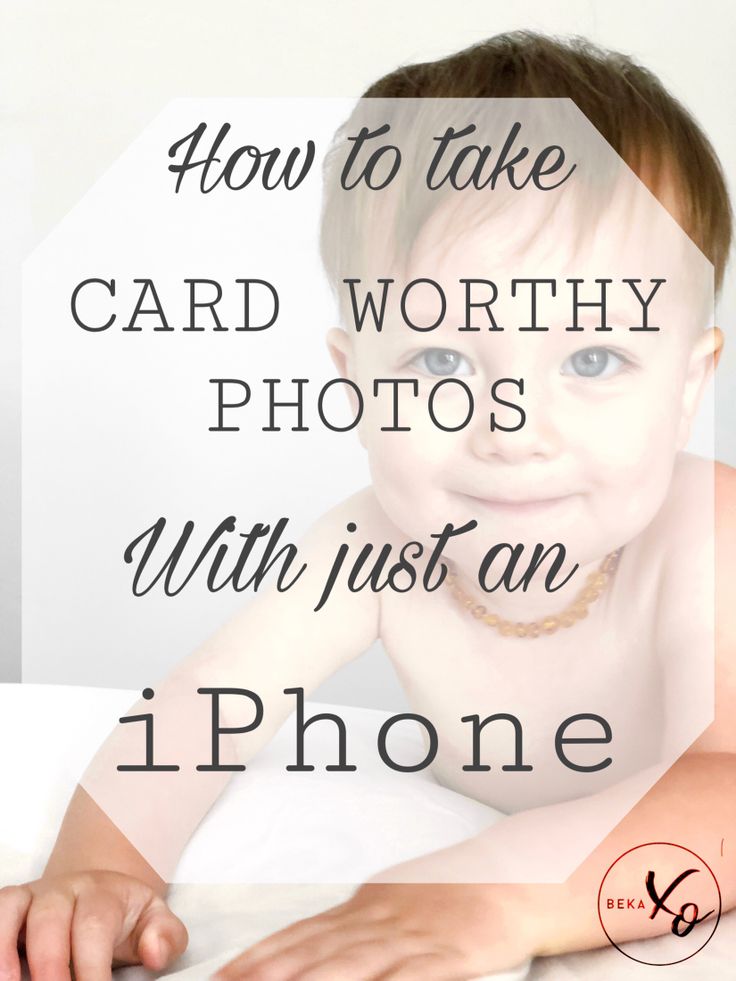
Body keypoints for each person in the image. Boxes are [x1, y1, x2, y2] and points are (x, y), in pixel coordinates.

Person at [2, 30, 734, 981]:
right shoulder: (371, 544)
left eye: (593, 360)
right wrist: (100, 865)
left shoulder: (705, 540)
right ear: (355, 384)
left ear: (687, 385)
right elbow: (198, 710)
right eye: (439, 360)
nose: (512, 429)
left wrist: (493, 894)